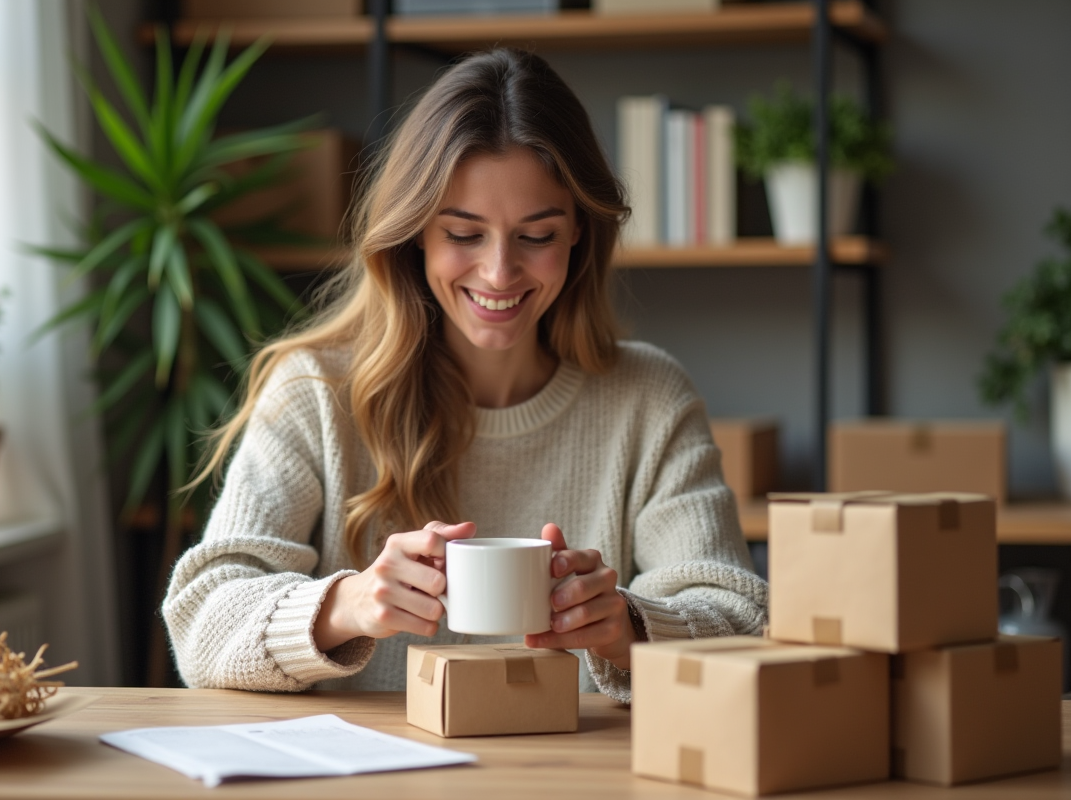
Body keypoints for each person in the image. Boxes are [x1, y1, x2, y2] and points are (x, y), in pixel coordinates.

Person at [163, 48, 766, 702]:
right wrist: (352, 603)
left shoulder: (649, 396)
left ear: (578, 239)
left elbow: (744, 620)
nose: (499, 272)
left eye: (536, 235)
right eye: (464, 234)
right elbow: (200, 623)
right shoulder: (314, 391)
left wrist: (627, 626)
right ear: (415, 233)